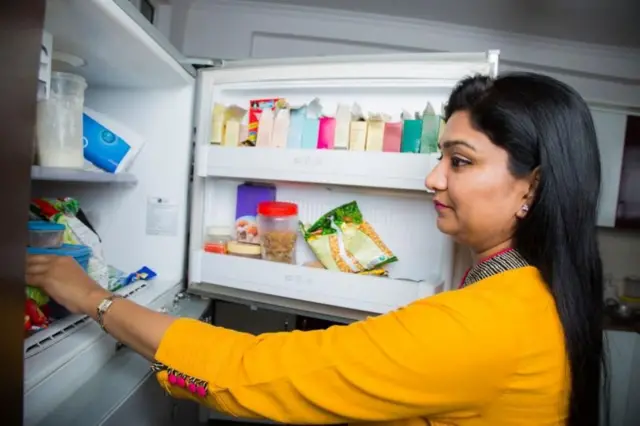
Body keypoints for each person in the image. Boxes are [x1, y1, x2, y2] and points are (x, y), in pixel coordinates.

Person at [26, 72, 605, 426]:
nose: (432, 178)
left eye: (459, 161)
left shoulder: (488, 324)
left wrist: (96, 300)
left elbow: (252, 373)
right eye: (439, 157)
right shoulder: (523, 292)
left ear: (532, 185)